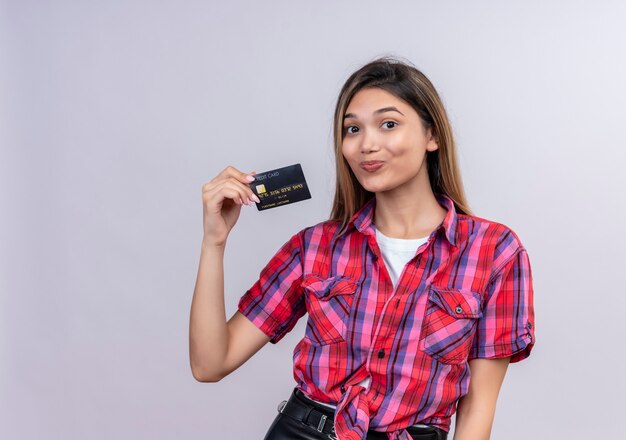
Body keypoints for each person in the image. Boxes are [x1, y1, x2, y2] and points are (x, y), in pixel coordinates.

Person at [189, 56, 535, 440]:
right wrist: (214, 241)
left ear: (431, 136)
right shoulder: (316, 247)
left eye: (389, 124)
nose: (367, 144)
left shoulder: (494, 251)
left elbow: (477, 415)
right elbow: (210, 364)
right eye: (352, 129)